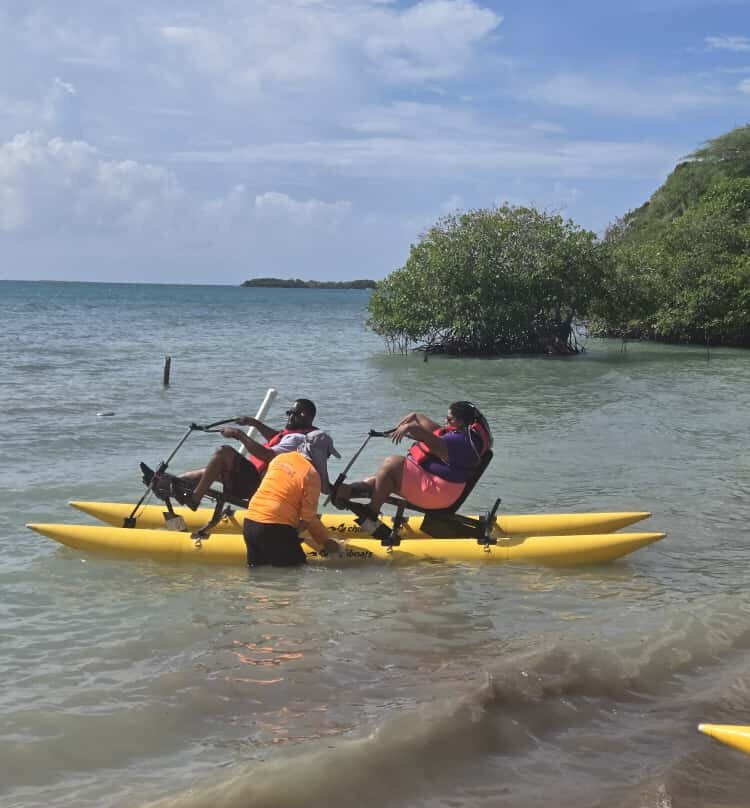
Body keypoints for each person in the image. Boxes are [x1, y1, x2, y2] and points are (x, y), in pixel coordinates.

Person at [333, 401, 492, 522]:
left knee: (392, 463)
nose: (445, 421)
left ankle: (371, 513)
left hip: (437, 495)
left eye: (449, 419)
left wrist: (410, 427)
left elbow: (431, 438)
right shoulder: (467, 437)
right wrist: (417, 416)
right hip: (437, 490)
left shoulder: (458, 442)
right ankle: (347, 491)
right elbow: (436, 431)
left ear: (461, 422)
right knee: (380, 480)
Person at [162, 398, 319, 509]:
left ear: (305, 416)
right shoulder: (296, 435)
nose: (289, 416)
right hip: (255, 480)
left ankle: (194, 499)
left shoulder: (299, 439)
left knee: (223, 453)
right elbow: (275, 438)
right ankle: (167, 485)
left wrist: (238, 434)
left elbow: (267, 455)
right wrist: (254, 423)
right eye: (288, 412)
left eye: (294, 413)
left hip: (261, 487)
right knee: (209, 471)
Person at [243, 430, 343, 566]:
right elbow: (308, 520)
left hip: (250, 522)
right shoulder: (311, 475)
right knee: (295, 574)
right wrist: (327, 543)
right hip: (275, 526)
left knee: (258, 574)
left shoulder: (280, 459)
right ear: (321, 453)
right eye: (328, 455)